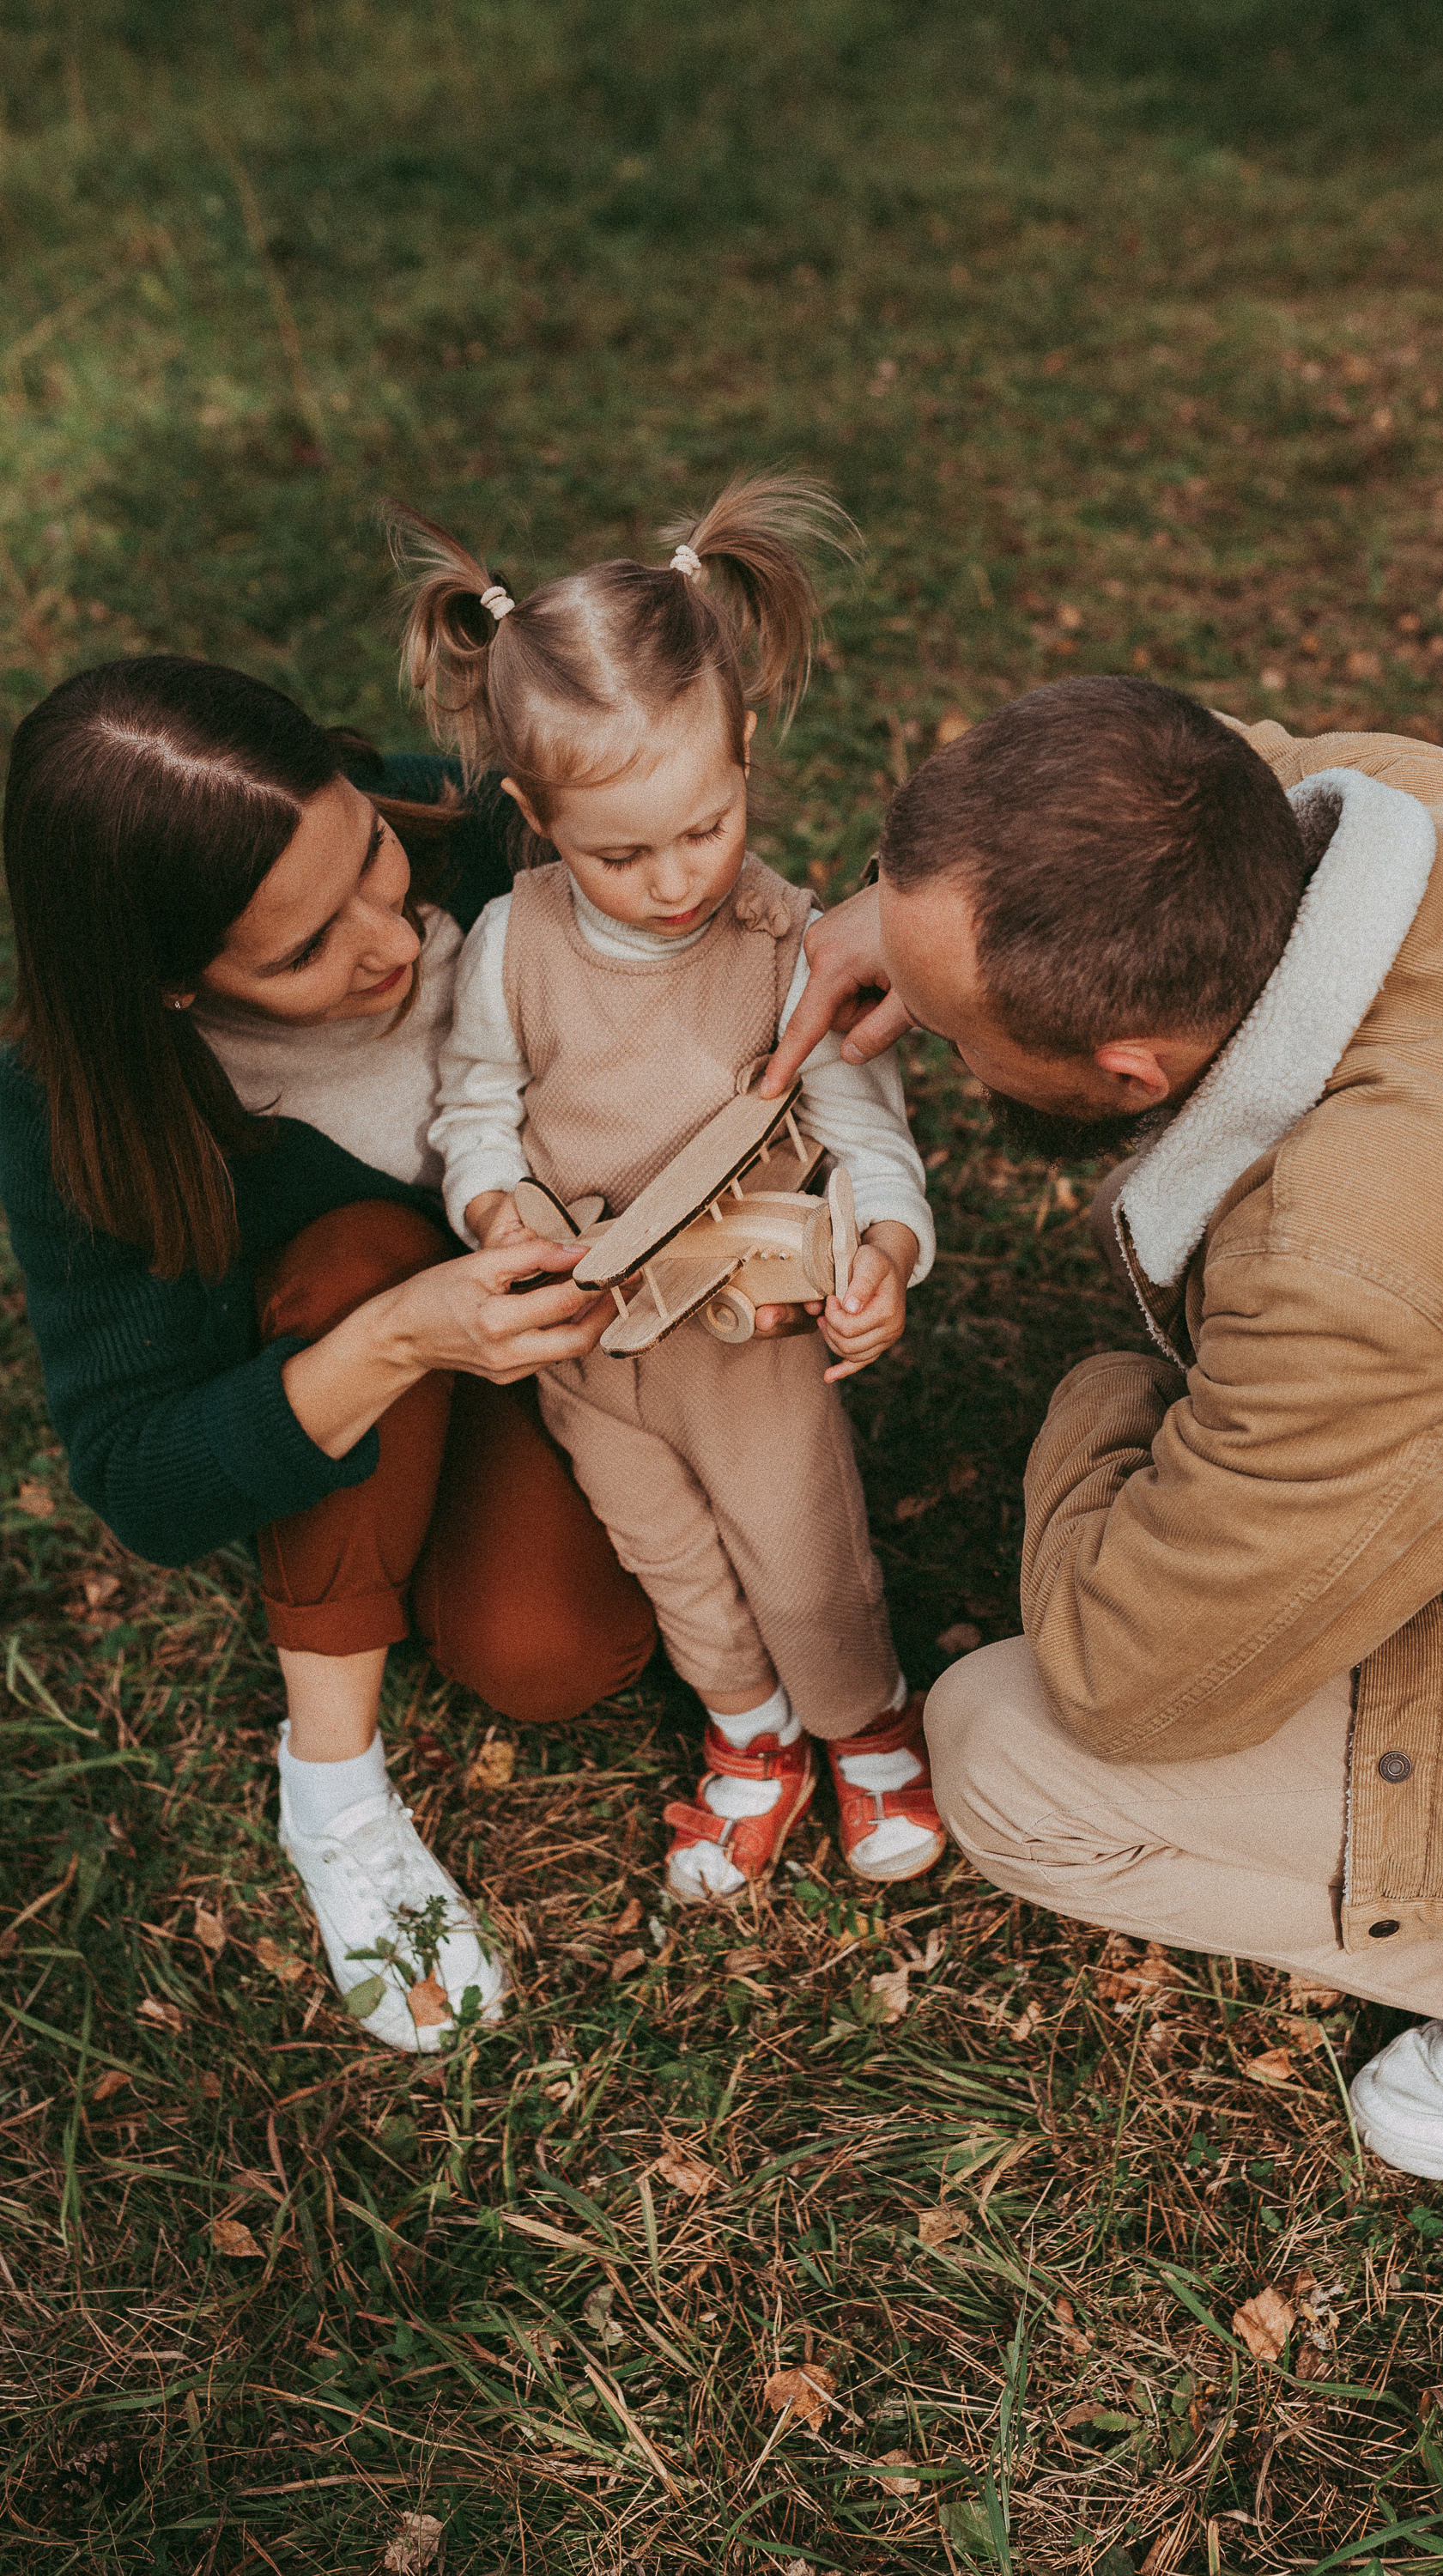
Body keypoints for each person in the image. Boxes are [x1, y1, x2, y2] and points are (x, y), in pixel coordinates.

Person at [761, 672, 1443, 2185]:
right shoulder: (1406, 801)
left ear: (1124, 1071)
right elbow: (1213, 765)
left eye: (946, 1032)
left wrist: (1103, 1398)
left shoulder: (1355, 1267)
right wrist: (901, 915)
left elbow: (1127, 1680)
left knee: (1009, 1760)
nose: (929, 1047)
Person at [0, 659, 654, 2055]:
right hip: (360, 1352)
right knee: (365, 1254)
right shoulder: (79, 1104)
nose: (387, 939)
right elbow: (142, 1481)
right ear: (173, 987)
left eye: (366, 854)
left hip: (593, 1346)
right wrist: (405, 1334)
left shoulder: (477, 826)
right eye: (301, 953)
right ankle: (333, 1784)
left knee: (557, 1657)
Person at [388, 474, 944, 1904]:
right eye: (618, 853)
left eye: (705, 826)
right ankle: (750, 1730)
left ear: (744, 752)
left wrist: (888, 1245)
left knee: (802, 1549)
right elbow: (475, 1111)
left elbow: (863, 1121)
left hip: (749, 1335)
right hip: (591, 1337)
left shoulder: (787, 941)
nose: (674, 878)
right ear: (533, 814)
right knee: (667, 1551)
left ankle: (864, 1720)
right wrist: (495, 1208)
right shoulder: (511, 946)